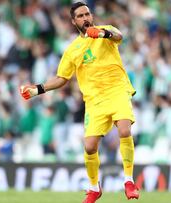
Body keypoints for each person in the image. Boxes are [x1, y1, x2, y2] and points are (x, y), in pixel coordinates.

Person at [19, 2, 139, 203]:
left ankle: (129, 181)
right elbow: (61, 79)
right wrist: (37, 90)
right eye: (81, 16)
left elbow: (119, 35)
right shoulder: (73, 50)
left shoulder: (105, 31)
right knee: (90, 146)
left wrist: (102, 35)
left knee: (124, 130)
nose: (86, 18)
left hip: (117, 90)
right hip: (94, 100)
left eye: (88, 14)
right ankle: (94, 188)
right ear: (74, 21)